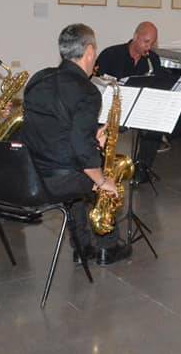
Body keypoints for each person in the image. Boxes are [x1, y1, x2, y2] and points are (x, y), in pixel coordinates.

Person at [20, 24, 131, 265]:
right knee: (103, 170)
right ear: (89, 51)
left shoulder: (38, 78)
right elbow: (81, 150)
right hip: (58, 181)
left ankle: (81, 246)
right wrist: (103, 180)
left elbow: (54, 129)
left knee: (83, 166)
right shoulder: (87, 91)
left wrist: (92, 138)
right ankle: (107, 246)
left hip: (29, 174)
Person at [95, 22, 167, 184]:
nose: (148, 47)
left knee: (155, 125)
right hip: (111, 108)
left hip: (137, 107)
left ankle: (142, 169)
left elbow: (156, 85)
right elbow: (96, 83)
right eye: (145, 42)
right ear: (135, 37)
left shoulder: (152, 60)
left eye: (152, 43)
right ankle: (99, 169)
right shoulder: (110, 54)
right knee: (98, 125)